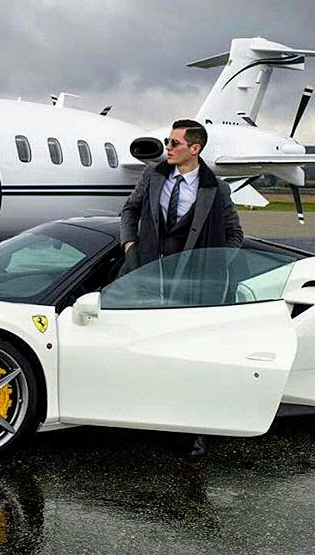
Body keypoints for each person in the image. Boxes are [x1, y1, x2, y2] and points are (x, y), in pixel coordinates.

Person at [119, 118, 243, 456]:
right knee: (147, 352)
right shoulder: (153, 176)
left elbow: (235, 233)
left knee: (190, 359)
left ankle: (193, 431)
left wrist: (214, 265)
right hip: (149, 280)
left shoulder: (216, 188)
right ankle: (147, 418)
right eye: (167, 141)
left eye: (174, 143)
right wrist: (130, 245)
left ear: (195, 148)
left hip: (192, 289)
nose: (167, 148)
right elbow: (130, 210)